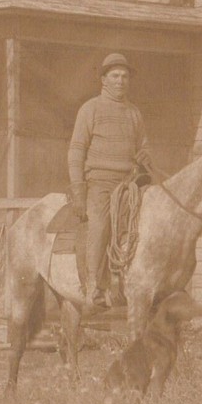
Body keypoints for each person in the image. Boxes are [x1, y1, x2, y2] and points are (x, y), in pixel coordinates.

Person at [67, 52, 151, 309]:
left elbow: (143, 146)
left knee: (147, 225)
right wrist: (79, 191)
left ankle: (133, 284)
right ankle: (94, 286)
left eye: (125, 76)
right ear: (103, 79)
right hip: (99, 183)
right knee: (101, 226)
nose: (120, 81)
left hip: (129, 184)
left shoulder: (134, 113)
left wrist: (145, 158)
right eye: (114, 75)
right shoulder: (90, 109)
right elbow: (76, 150)